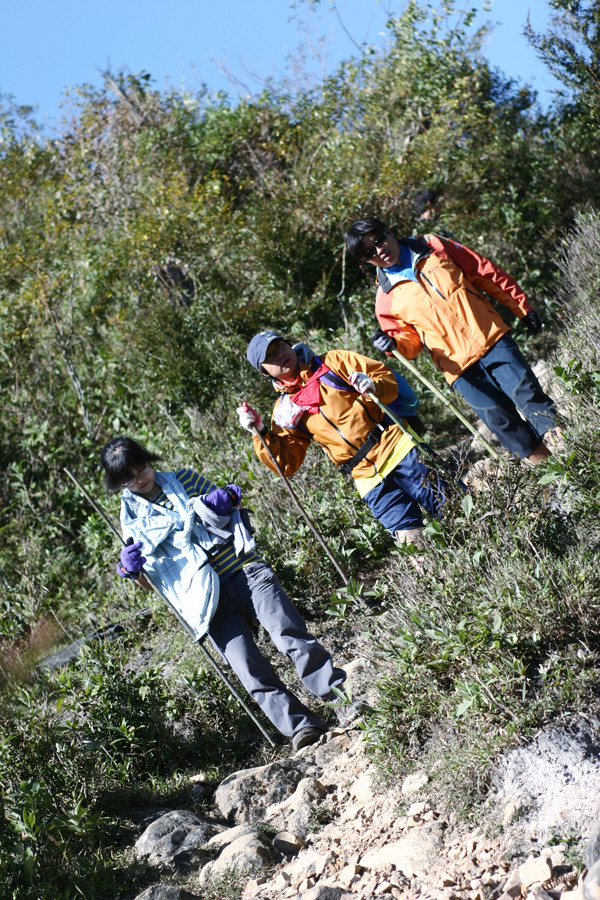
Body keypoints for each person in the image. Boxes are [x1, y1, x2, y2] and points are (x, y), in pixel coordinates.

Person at [101, 435, 361, 752]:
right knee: (249, 669)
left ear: (147, 460)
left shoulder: (185, 478)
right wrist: (132, 571)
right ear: (119, 483)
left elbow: (231, 509)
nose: (138, 477)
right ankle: (301, 726)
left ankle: (343, 702)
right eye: (127, 476)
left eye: (139, 467)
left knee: (289, 635)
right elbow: (151, 583)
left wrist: (226, 500)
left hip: (244, 570)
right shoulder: (132, 524)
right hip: (204, 601)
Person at [344, 216, 563, 465]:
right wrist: (393, 346)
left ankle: (573, 458)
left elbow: (483, 271)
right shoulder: (385, 299)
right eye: (370, 251)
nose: (380, 250)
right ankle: (553, 473)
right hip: (459, 370)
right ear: (365, 261)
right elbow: (410, 344)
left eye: (380, 240)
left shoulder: (433, 245)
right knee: (503, 423)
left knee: (530, 396)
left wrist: (521, 306)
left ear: (389, 232)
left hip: (491, 338)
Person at [237, 332, 447, 546]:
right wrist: (260, 432)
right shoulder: (284, 411)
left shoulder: (333, 361)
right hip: (368, 479)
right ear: (264, 372)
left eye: (279, 346)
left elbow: (385, 378)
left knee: (453, 508)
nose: (279, 355)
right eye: (270, 357)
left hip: (399, 447)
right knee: (413, 544)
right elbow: (286, 464)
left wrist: (373, 385)